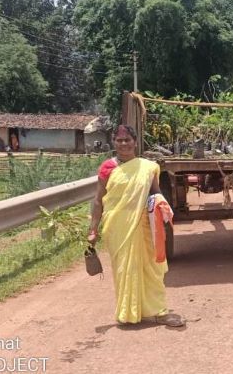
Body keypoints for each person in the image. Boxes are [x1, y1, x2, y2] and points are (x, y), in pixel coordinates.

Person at [87, 124, 184, 327]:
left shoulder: (148, 167)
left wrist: (163, 209)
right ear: (113, 143)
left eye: (128, 140)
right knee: (125, 269)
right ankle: (128, 312)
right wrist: (93, 229)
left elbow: (155, 193)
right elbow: (98, 201)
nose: (124, 144)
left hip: (143, 225)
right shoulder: (107, 168)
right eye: (119, 140)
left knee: (152, 269)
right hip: (117, 227)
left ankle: (159, 312)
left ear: (135, 142)